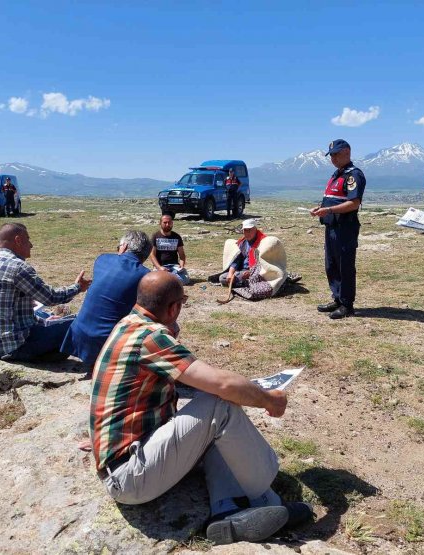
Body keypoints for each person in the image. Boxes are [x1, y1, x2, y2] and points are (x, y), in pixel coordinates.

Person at [91, 272, 312, 545]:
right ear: (174, 307)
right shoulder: (151, 337)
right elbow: (221, 384)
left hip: (128, 463)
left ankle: (226, 512)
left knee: (214, 428)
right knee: (220, 402)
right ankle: (268, 498)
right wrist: (269, 400)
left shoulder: (128, 325)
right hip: (130, 477)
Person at [0, 223, 90, 362]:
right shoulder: (17, 267)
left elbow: (12, 311)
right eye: (28, 239)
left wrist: (43, 321)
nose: (31, 245)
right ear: (18, 240)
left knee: (58, 324)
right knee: (81, 322)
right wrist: (77, 287)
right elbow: (50, 297)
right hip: (14, 347)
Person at [61, 231, 152, 372]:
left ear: (124, 246)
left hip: (78, 336)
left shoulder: (102, 259)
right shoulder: (145, 276)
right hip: (107, 344)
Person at [310, 139, 366, 319]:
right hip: (331, 226)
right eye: (331, 155)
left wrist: (330, 210)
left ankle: (347, 304)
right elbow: (332, 198)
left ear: (347, 153)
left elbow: (354, 203)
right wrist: (320, 208)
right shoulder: (336, 175)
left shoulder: (353, 175)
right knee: (331, 264)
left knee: (345, 266)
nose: (332, 158)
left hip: (345, 228)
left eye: (336, 154)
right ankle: (337, 297)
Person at [219, 219, 266, 288]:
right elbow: (236, 260)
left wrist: (251, 272)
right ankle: (247, 283)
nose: (247, 233)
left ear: (255, 229)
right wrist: (230, 273)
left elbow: (265, 263)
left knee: (259, 277)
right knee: (222, 278)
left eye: (249, 230)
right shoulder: (242, 243)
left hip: (256, 272)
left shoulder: (263, 242)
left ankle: (247, 283)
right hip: (242, 271)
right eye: (245, 230)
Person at [149, 213, 189, 285]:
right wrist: (159, 267)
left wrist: (181, 265)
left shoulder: (177, 237)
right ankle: (170, 279)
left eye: (169, 223)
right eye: (165, 223)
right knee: (154, 281)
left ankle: (167, 279)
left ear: (172, 223)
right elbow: (152, 255)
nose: (167, 225)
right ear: (160, 223)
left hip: (174, 266)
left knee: (185, 280)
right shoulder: (155, 236)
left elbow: (182, 255)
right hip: (160, 266)